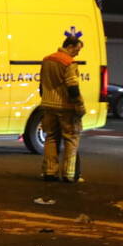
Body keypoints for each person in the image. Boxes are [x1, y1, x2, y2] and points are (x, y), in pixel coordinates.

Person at [39, 34, 86, 183]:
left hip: (48, 105)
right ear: (69, 46)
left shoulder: (46, 60)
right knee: (71, 139)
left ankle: (49, 172)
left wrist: (45, 98)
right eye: (77, 50)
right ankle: (69, 174)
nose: (77, 53)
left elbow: (41, 84)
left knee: (51, 138)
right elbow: (72, 86)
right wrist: (79, 105)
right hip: (65, 107)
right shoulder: (69, 63)